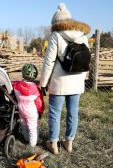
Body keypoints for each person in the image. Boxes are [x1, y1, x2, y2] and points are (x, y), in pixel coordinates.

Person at [39, 3, 90, 155]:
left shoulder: (56, 35)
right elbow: (86, 59)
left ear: (56, 23)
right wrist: (83, 79)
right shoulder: (83, 35)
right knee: (73, 112)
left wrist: (43, 83)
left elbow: (49, 62)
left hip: (59, 82)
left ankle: (53, 144)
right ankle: (69, 143)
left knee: (55, 112)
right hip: (77, 81)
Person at [12, 64, 45, 147]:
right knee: (32, 128)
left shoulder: (16, 85)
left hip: (21, 109)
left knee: (24, 124)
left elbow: (11, 85)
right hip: (32, 111)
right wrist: (40, 111)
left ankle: (26, 138)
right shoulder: (36, 88)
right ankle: (32, 144)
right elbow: (39, 102)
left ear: (23, 73)